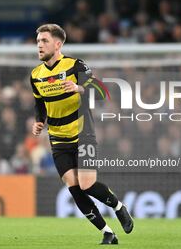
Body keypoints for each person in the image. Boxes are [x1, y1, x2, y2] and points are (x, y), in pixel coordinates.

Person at [30, 24, 134, 245]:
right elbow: (39, 103)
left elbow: (102, 92)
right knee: (73, 186)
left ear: (58, 44)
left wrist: (79, 88)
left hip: (82, 133)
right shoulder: (36, 75)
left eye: (44, 41)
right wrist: (39, 122)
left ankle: (119, 207)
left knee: (87, 184)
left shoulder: (76, 66)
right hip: (57, 138)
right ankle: (107, 232)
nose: (39, 45)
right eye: (38, 41)